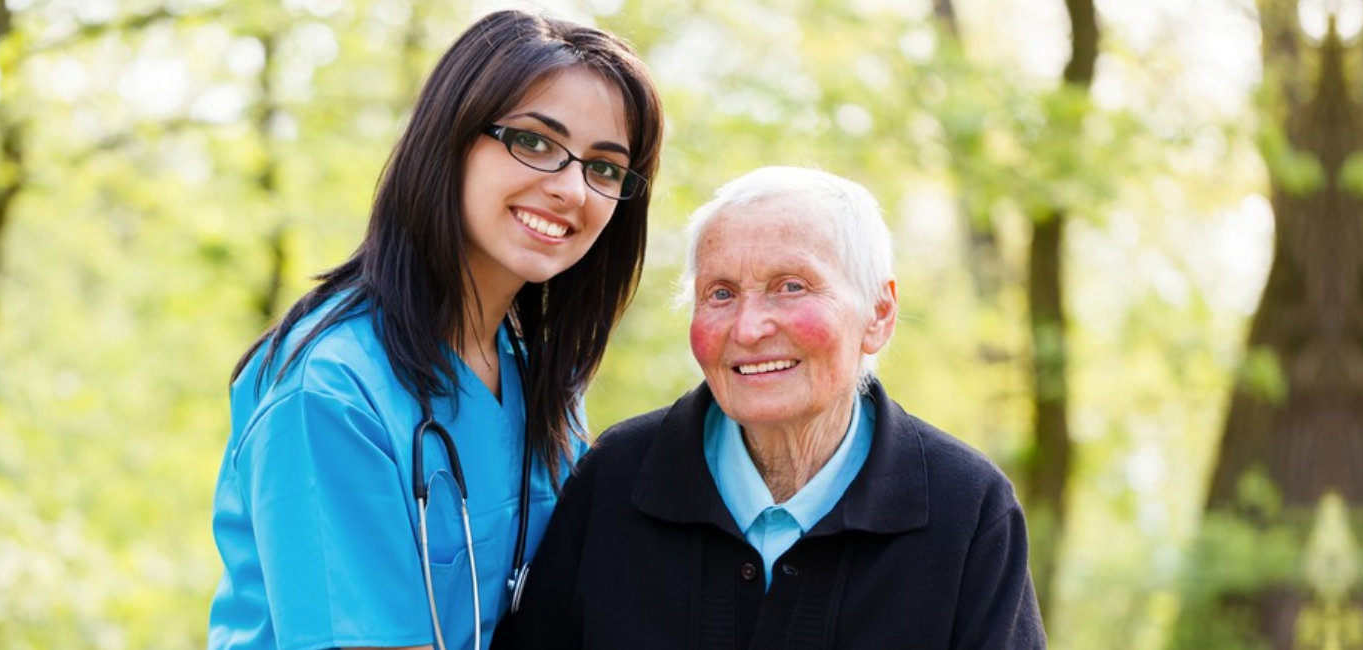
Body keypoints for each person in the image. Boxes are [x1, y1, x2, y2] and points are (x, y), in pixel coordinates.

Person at [206, 10, 662, 650]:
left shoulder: (538, 380)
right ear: (450, 139)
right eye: (533, 141)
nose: (571, 189)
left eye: (605, 168)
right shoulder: (330, 391)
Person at [492, 167, 1045, 649]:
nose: (749, 328)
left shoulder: (967, 509)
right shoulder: (616, 477)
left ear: (878, 314)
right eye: (721, 293)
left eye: (791, 286)